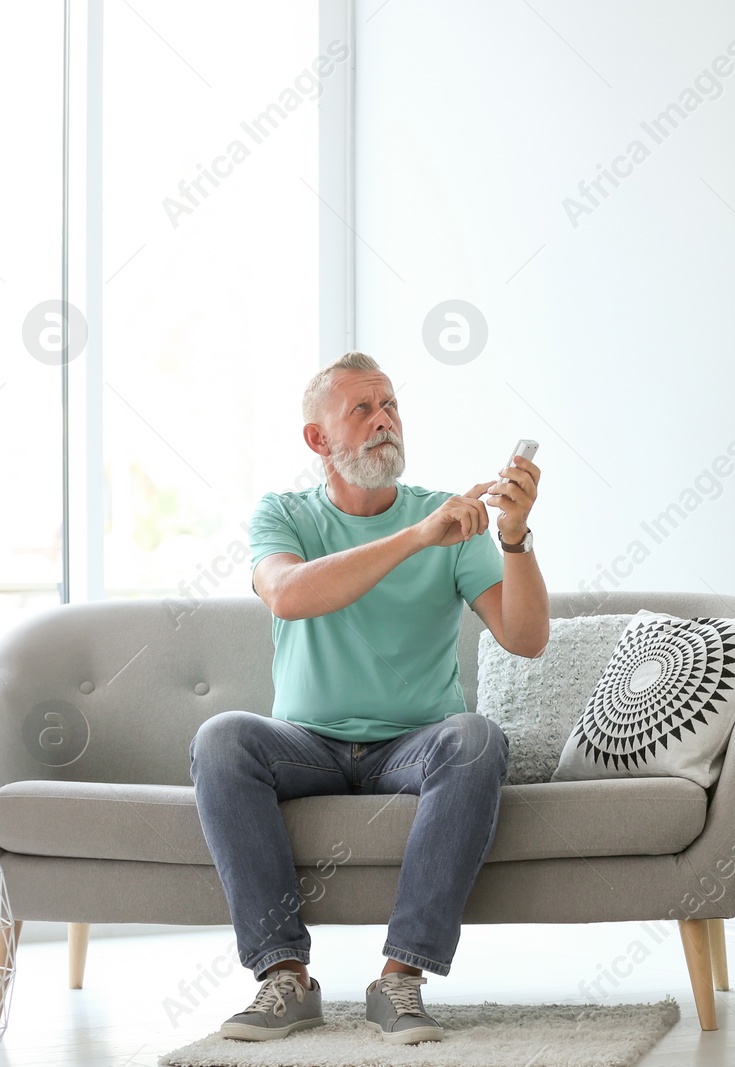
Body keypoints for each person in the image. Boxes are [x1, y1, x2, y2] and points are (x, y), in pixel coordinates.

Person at [188, 351, 548, 1043]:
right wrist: (416, 537)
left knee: (476, 737)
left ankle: (400, 977)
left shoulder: (452, 522)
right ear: (318, 440)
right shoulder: (285, 514)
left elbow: (526, 637)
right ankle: (284, 977)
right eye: (362, 410)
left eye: (390, 406)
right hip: (307, 745)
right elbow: (289, 594)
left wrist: (513, 535)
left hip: (413, 745)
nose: (385, 420)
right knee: (222, 737)